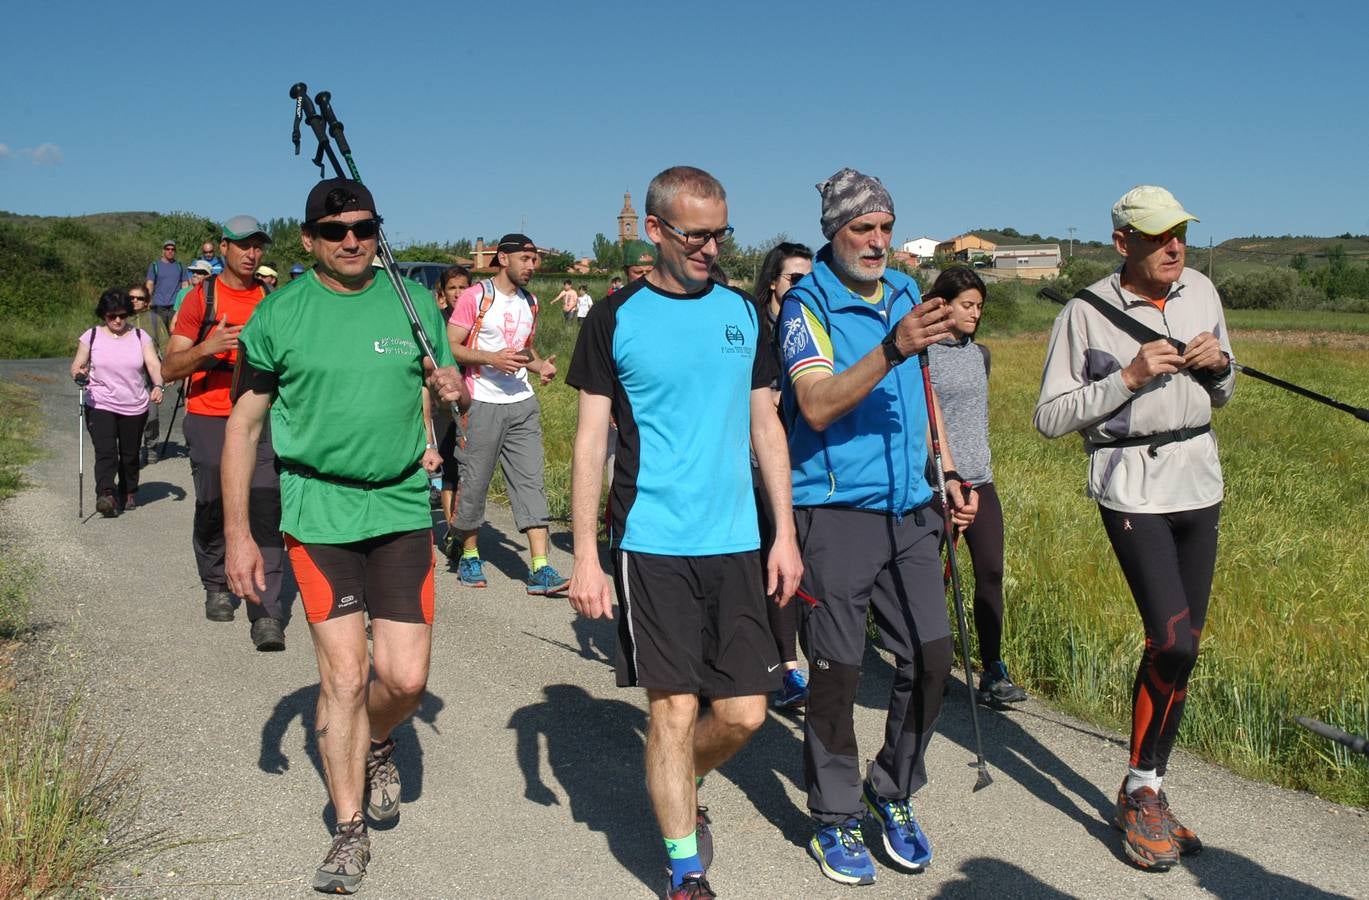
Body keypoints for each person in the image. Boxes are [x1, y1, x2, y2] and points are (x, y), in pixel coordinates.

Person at [224, 176, 466, 895]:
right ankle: (349, 829)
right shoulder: (281, 314)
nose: (351, 240)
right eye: (334, 232)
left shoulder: (415, 301)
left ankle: (380, 736)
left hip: (397, 509)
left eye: (363, 227)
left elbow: (437, 396)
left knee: (404, 679)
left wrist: (446, 409)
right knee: (345, 676)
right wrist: (241, 535)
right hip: (318, 513)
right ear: (308, 240)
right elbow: (242, 423)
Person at [567, 166, 803, 900]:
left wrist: (785, 534)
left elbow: (767, 425)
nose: (711, 248)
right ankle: (682, 867)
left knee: (741, 713)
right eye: (695, 234)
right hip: (650, 540)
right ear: (656, 230)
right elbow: (587, 442)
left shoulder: (740, 313)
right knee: (670, 707)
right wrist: (584, 556)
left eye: (720, 233)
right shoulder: (614, 319)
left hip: (735, 540)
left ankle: (677, 777)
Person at [778, 168, 976, 886]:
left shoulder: (901, 292)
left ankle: (889, 790)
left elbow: (922, 397)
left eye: (886, 227)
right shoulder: (806, 304)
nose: (877, 241)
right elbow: (819, 404)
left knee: (931, 657)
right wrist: (890, 347)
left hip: (911, 506)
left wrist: (948, 472)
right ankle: (832, 817)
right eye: (863, 228)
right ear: (832, 230)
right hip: (834, 511)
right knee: (835, 671)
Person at [1034, 185, 1234, 872]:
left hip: (1197, 479)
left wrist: (1218, 369)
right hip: (1129, 483)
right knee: (1169, 639)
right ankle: (1141, 791)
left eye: (1178, 232)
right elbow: (1050, 417)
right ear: (1123, 242)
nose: (1173, 246)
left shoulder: (1202, 292)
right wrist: (1126, 377)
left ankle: (1148, 785)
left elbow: (1225, 391)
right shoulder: (1083, 313)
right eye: (1156, 236)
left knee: (1186, 649)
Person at [161, 215, 288, 651]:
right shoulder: (202, 300)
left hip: (262, 416)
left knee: (265, 503)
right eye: (243, 246)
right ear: (225, 248)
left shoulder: (273, 299)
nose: (252, 254)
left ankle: (265, 609)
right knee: (215, 500)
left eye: (258, 246)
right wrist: (207, 348)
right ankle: (216, 580)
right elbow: (169, 367)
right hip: (210, 412)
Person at [924, 266, 1028, 708]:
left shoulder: (980, 354)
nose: (975, 314)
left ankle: (993, 668)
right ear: (942, 304)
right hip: (934, 486)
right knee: (930, 580)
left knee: (990, 572)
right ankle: (928, 662)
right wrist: (940, 477)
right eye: (968, 305)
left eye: (980, 306)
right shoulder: (920, 356)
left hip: (981, 482)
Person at [445, 233, 569, 595]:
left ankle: (540, 568)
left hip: (522, 404)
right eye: (526, 259)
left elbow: (524, 350)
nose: (533, 266)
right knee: (475, 481)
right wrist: (490, 358)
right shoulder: (476, 297)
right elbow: (451, 346)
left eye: (535, 259)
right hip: (481, 402)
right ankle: (469, 554)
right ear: (503, 258)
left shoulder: (530, 302)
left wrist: (541, 365)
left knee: (531, 481)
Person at [751, 241, 813, 710]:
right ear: (773, 280)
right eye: (794, 279)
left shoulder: (813, 326)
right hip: (755, 462)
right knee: (773, 560)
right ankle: (787, 669)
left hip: (806, 461)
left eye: (809, 281)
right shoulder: (752, 327)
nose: (801, 288)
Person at [70, 288, 164, 516]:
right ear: (104, 315)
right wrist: (79, 374)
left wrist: (158, 385)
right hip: (99, 401)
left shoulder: (141, 337)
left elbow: (153, 365)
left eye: (122, 315)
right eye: (112, 316)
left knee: (130, 454)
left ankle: (128, 490)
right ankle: (106, 494)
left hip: (134, 403)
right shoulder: (91, 336)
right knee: (106, 451)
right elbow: (77, 365)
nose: (118, 320)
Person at [432, 265, 471, 555]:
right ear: (443, 294)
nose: (459, 293)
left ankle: (466, 523)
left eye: (463, 287)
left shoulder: (475, 323)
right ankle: (451, 530)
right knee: (451, 468)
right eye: (453, 288)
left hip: (476, 402)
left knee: (470, 468)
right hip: (446, 404)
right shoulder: (439, 323)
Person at [126, 285, 164, 465]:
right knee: (128, 416)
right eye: (131, 297)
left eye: (139, 298)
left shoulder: (154, 320)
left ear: (147, 302)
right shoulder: (120, 319)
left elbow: (166, 346)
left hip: (149, 375)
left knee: (152, 415)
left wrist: (168, 372)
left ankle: (151, 446)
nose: (135, 301)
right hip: (126, 375)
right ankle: (130, 449)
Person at [145, 239, 188, 349]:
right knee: (159, 333)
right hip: (159, 305)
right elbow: (150, 283)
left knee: (175, 332)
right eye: (167, 249)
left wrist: (186, 302)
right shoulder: (155, 265)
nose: (170, 251)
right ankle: (158, 356)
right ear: (163, 250)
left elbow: (184, 284)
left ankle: (173, 355)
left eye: (173, 249)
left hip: (175, 306)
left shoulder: (180, 266)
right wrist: (147, 300)